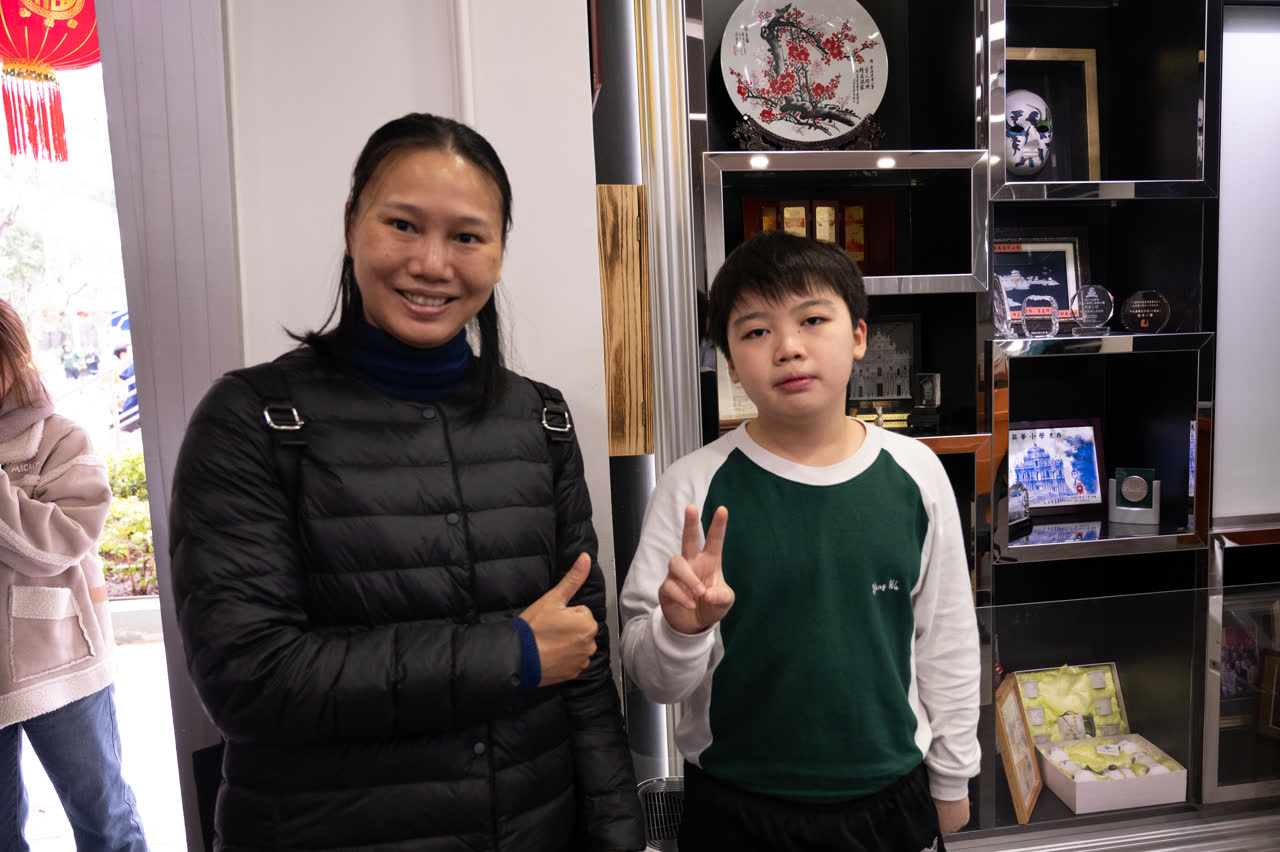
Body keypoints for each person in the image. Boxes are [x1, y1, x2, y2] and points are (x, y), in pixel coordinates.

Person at [169, 113, 645, 852]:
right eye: (402, 225)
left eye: (467, 236)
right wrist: (513, 655)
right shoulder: (253, 419)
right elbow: (249, 680)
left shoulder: (542, 419)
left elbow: (580, 659)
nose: (431, 263)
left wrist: (619, 837)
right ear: (352, 225)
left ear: (499, 252)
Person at [619, 231, 980, 852]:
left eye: (812, 320)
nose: (787, 347)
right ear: (732, 364)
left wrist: (952, 778)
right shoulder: (692, 485)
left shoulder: (915, 473)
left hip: (889, 796)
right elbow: (654, 682)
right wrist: (680, 631)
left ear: (859, 336)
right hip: (736, 804)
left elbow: (945, 640)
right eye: (756, 331)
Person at [0, 299, 148, 851]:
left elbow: (63, 542)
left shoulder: (59, 437)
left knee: (103, 819)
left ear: (13, 357)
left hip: (59, 659)